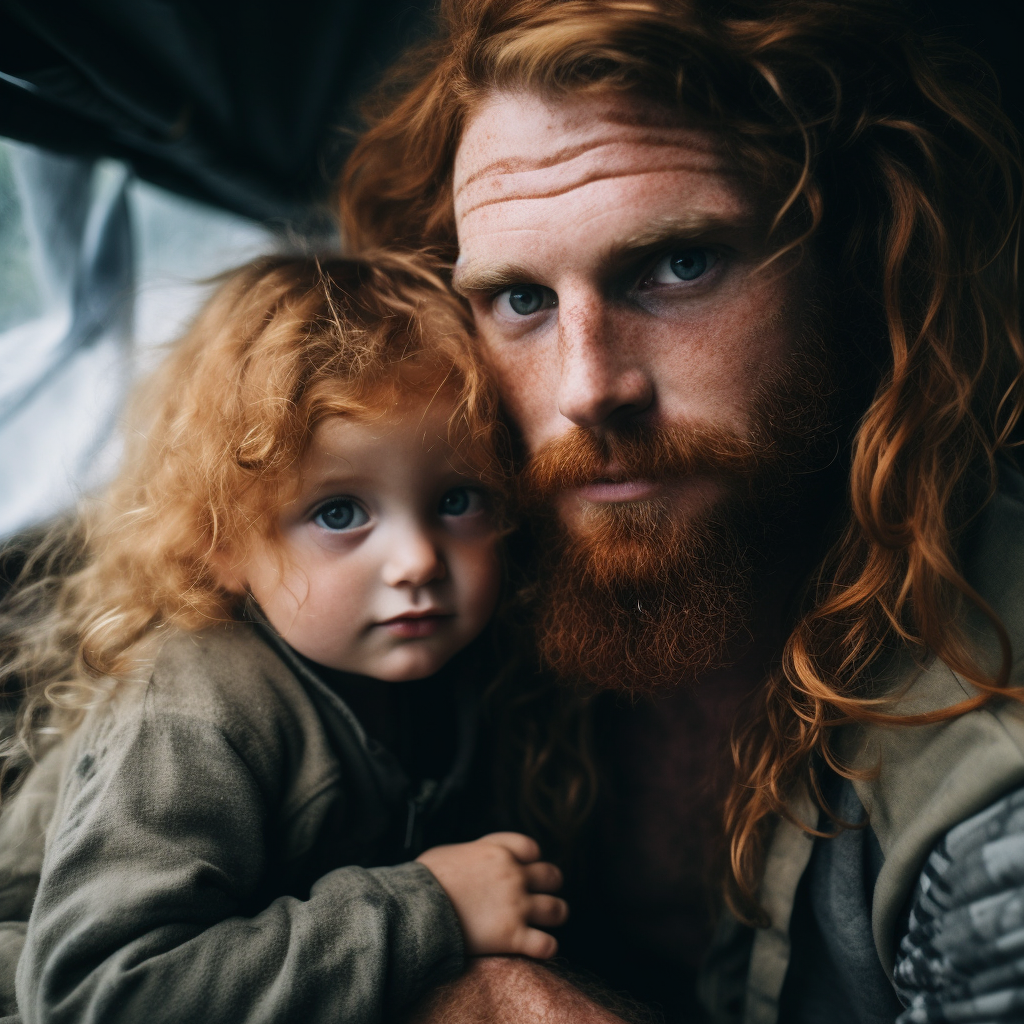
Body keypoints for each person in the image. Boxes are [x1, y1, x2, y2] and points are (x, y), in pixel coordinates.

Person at [335, 1, 1024, 1022]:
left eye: (678, 264)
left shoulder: (992, 814)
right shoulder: (420, 583)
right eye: (519, 300)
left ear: (858, 266)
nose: (587, 387)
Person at [0, 253, 569, 1023]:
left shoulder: (448, 666)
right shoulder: (195, 714)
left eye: (458, 498)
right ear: (219, 541)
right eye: (340, 514)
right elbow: (93, 995)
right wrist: (428, 908)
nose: (418, 561)